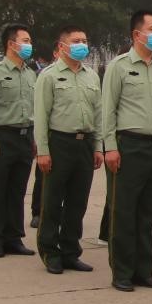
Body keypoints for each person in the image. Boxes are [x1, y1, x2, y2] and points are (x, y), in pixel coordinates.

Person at [101, 10, 152, 292]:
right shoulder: (119, 67)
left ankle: (144, 270)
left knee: (147, 212)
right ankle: (122, 271)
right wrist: (110, 147)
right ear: (136, 34)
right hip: (128, 146)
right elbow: (108, 109)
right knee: (123, 211)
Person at [34, 26, 101, 275]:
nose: (82, 44)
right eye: (76, 41)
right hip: (58, 142)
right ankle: (50, 251)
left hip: (84, 143)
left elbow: (98, 113)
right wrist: (43, 151)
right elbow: (41, 116)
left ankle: (71, 251)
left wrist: (98, 147)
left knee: (78, 201)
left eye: (84, 40)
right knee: (52, 200)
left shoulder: (91, 76)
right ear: (62, 46)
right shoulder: (49, 76)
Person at [0, 25, 38, 258]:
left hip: (24, 137)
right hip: (2, 136)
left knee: (17, 190)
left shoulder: (30, 74)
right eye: (25, 40)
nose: (29, 45)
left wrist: (33, 139)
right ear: (11, 44)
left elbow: (33, 110)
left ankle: (14, 237)